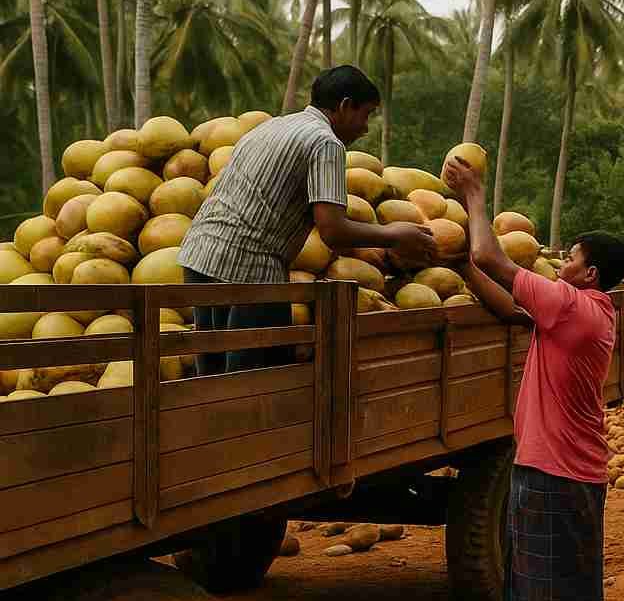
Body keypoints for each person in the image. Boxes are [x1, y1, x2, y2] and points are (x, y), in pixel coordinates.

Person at [443, 154, 624, 601]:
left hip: (550, 471)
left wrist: (475, 196)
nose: (560, 262)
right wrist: (460, 266)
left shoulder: (572, 307)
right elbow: (505, 305)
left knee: (548, 600)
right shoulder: (588, 314)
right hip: (579, 470)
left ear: (591, 273)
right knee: (582, 589)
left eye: (570, 257)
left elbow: (492, 258)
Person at [177, 65, 436, 375]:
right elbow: (333, 229)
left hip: (199, 255)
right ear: (344, 106)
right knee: (253, 383)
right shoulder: (325, 142)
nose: (365, 128)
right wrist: (394, 234)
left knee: (212, 381)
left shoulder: (270, 127)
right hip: (249, 267)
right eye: (365, 115)